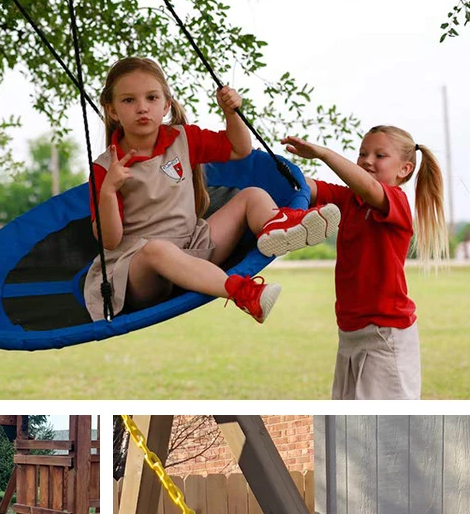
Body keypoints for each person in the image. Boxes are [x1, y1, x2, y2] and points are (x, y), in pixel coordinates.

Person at [83, 56, 340, 324]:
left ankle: (278, 227)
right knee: (157, 249)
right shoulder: (105, 167)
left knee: (251, 195)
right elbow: (109, 241)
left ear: (166, 105)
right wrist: (109, 191)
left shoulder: (183, 138)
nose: (141, 108)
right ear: (112, 111)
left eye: (151, 98)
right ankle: (243, 292)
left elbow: (239, 148)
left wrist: (231, 113)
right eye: (128, 100)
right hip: (138, 270)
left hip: (191, 246)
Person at [267, 126, 449, 399]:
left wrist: (323, 154)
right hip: (349, 335)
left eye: (380, 155)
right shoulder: (347, 200)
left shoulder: (395, 202)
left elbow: (370, 188)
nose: (367, 160)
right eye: (362, 153)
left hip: (384, 338)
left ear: (404, 170)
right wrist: (263, 167)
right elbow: (304, 186)